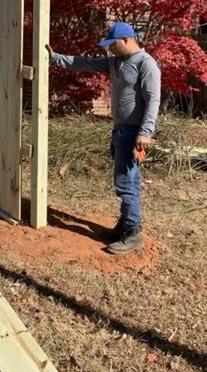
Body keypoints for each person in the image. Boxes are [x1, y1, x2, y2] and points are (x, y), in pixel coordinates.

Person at [46, 22, 161, 255]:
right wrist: (55, 58)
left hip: (133, 134)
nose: (110, 50)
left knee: (126, 183)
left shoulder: (146, 64)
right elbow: (83, 62)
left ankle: (132, 233)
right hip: (119, 131)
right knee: (128, 181)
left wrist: (145, 133)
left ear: (127, 40)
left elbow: (153, 100)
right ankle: (125, 224)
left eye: (113, 45)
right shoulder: (115, 62)